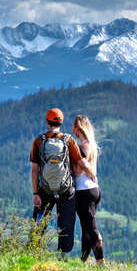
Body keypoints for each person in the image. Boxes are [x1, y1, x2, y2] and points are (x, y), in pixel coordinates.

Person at [30, 108, 97, 258]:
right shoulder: (68, 140)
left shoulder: (38, 141)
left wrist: (36, 193)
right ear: (61, 122)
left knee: (40, 219)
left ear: (47, 122)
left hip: (45, 189)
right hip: (66, 189)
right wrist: (93, 175)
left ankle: (32, 251)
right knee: (66, 221)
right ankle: (63, 256)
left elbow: (35, 170)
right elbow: (82, 162)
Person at [72, 115, 104, 264]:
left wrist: (91, 173)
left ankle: (100, 262)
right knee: (87, 227)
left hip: (83, 191)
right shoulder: (92, 145)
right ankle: (83, 261)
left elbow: (81, 166)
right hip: (94, 190)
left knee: (91, 229)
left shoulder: (80, 147)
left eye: (74, 127)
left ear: (77, 128)